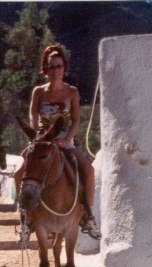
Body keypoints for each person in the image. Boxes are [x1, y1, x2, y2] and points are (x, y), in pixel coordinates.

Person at [28, 44, 101, 240]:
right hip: (42, 141)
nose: (55, 71)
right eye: (51, 67)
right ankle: (25, 218)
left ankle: (88, 216)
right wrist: (36, 134)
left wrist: (67, 138)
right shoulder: (39, 92)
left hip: (63, 141)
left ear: (64, 68)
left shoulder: (72, 92)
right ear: (45, 69)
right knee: (21, 171)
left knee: (88, 170)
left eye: (59, 66)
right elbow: (33, 114)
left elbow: (76, 119)